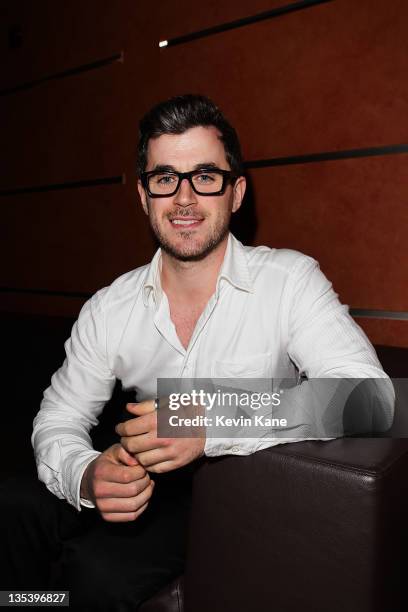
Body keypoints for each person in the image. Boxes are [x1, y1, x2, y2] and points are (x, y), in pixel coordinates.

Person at [1, 94, 393, 610]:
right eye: (165, 178)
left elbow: (372, 400)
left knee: (98, 577)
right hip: (144, 476)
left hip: (237, 493)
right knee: (10, 505)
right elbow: (58, 417)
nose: (184, 199)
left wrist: (209, 417)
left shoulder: (290, 280)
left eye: (205, 176)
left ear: (236, 193)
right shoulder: (108, 307)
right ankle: (28, 602)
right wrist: (87, 475)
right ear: (144, 195)